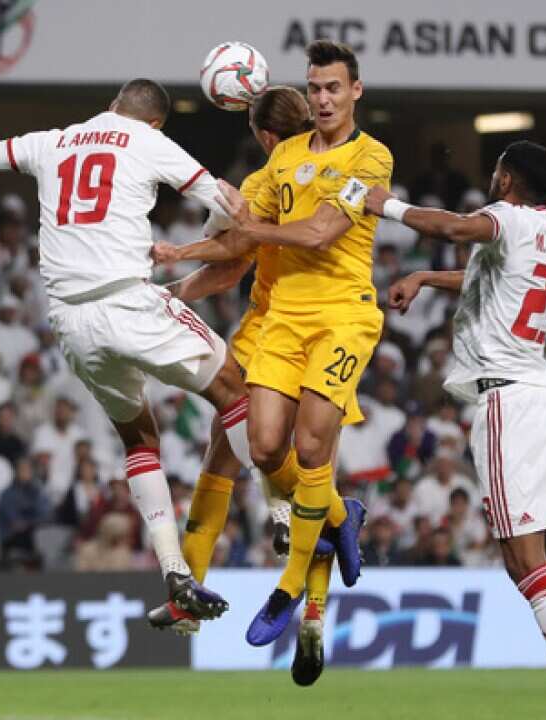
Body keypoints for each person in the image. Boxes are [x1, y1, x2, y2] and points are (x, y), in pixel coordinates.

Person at [0, 78, 253, 624]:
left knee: (138, 436)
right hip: (127, 299)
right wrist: (234, 223)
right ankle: (288, 517)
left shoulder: (51, 141)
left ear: (109, 109)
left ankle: (174, 570)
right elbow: (226, 203)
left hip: (70, 321)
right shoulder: (149, 142)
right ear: (153, 122)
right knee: (236, 390)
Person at [374, 140, 546, 719]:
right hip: (543, 393)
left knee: (523, 559)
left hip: (506, 401)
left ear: (507, 180)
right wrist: (421, 277)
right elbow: (480, 276)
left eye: (496, 171)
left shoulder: (505, 217)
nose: (491, 178)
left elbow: (453, 227)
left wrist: (385, 206)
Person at [147, 87, 340, 675]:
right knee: (311, 465)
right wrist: (181, 291)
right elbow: (236, 257)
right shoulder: (336, 169)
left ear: (261, 137)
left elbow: (235, 256)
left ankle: (194, 589)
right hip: (335, 329)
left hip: (273, 330)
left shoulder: (260, 185)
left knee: (235, 456)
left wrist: (176, 260)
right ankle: (313, 614)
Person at [206, 41, 387, 648]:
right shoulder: (281, 157)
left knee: (311, 449)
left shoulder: (371, 159)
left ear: (354, 91)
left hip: (342, 316)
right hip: (281, 319)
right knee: (262, 449)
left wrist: (247, 228)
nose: (324, 97)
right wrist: (179, 252)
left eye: (334, 87)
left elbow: (319, 232)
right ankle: (340, 515)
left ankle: (293, 594)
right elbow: (234, 243)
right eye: (315, 88)